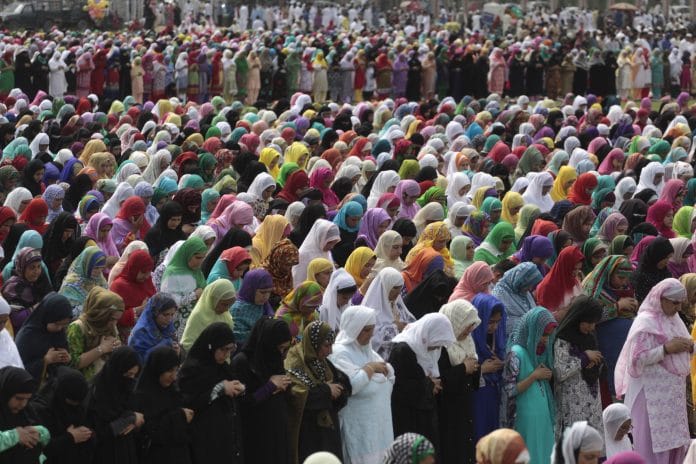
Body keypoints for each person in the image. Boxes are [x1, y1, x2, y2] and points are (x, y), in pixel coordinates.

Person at [615, 278, 692, 463]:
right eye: (674, 303)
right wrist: (665, 349)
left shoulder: (674, 320)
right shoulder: (645, 323)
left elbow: (685, 343)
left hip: (672, 396)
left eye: (681, 303)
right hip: (650, 395)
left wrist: (689, 346)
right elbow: (637, 359)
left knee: (674, 442)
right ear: (661, 299)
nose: (678, 308)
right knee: (651, 445)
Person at [177, 322, 245, 463]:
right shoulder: (192, 369)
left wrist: (239, 388)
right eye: (223, 349)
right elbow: (189, 402)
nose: (226, 355)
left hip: (226, 438)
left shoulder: (222, 367)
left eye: (230, 350)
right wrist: (219, 389)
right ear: (211, 346)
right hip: (204, 438)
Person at [285, 320, 350, 463]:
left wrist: (336, 390)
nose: (330, 351)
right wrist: (327, 390)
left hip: (327, 430)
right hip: (307, 432)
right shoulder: (295, 361)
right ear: (314, 343)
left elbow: (341, 385)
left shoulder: (322, 362)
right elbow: (297, 394)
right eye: (326, 346)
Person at [230, 318, 293, 464]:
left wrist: (285, 385)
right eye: (280, 348)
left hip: (277, 433)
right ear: (268, 344)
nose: (283, 355)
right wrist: (269, 387)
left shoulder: (274, 359)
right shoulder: (242, 363)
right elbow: (240, 404)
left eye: (286, 349)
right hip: (255, 435)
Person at [389, 313, 456, 449]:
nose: (437, 349)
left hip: (425, 416)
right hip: (408, 418)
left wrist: (431, 384)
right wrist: (429, 384)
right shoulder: (403, 350)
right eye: (435, 344)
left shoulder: (424, 347)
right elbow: (401, 388)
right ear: (427, 335)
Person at [502, 306, 556, 464]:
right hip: (525, 419)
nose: (545, 339)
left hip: (542, 417)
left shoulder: (537, 351)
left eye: (548, 335)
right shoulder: (516, 353)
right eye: (543, 335)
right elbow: (509, 389)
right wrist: (534, 376)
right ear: (532, 329)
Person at [552, 295, 604, 438]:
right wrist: (585, 358)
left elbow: (595, 359)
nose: (592, 327)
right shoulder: (563, 339)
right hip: (572, 401)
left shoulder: (589, 336)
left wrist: (596, 362)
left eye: (594, 323)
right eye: (589, 322)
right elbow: (560, 371)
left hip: (591, 401)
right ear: (578, 317)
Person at [437, 299, 481, 464]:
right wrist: (463, 368)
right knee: (453, 450)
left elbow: (473, 373)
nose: (469, 330)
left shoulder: (467, 341)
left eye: (472, 325)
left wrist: (474, 368)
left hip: (465, 405)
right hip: (448, 410)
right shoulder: (441, 345)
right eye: (467, 325)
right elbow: (440, 379)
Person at [131, 346, 192, 464]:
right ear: (157, 369)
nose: (174, 376)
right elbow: (150, 431)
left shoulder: (173, 390)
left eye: (176, 370)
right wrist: (180, 416)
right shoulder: (141, 396)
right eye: (169, 371)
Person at [86, 346, 143, 464]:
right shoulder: (96, 392)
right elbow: (97, 433)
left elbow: (139, 417)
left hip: (126, 451)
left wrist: (134, 421)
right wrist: (128, 419)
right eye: (127, 375)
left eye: (134, 375)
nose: (131, 379)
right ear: (117, 370)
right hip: (103, 454)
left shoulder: (130, 388)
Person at [31, 366, 95, 463]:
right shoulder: (42, 408)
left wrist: (87, 433)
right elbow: (39, 448)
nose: (76, 406)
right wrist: (69, 438)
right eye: (72, 403)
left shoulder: (80, 397)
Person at [66, 287, 124, 380]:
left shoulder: (110, 326)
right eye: (112, 319)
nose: (114, 323)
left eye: (117, 320)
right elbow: (73, 363)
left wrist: (116, 347)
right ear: (100, 314)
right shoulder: (77, 327)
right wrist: (101, 349)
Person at [470, 293, 506, 441]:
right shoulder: (468, 339)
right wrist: (482, 369)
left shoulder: (497, 338)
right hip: (476, 398)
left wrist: (502, 364)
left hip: (494, 394)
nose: (494, 327)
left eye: (498, 322)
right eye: (490, 322)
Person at [14, 293, 72, 382]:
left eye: (64, 325)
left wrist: (66, 357)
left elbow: (63, 350)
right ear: (47, 317)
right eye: (57, 324)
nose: (60, 328)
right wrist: (45, 361)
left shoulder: (58, 332)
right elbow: (19, 370)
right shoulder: (26, 336)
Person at [362, 267, 415, 360]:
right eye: (394, 288)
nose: (398, 292)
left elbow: (410, 321)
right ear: (385, 285)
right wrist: (395, 327)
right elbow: (372, 340)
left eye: (400, 288)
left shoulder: (396, 304)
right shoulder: (371, 309)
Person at [160, 236, 208, 338]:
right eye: (198, 257)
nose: (200, 262)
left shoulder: (197, 272)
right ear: (188, 254)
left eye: (203, 258)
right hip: (175, 326)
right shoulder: (173, 273)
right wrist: (194, 295)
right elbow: (169, 302)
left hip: (193, 324)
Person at [0, 366, 50, 463]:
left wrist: (39, 434)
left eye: (27, 399)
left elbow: (46, 437)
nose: (23, 404)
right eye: (18, 398)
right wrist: (15, 436)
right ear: (6, 393)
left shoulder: (27, 411)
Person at [109, 249, 156, 343]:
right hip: (128, 337)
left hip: (150, 330)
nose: (147, 276)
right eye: (143, 272)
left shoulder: (147, 281)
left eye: (149, 272)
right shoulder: (119, 286)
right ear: (134, 269)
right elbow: (112, 315)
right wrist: (139, 309)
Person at [491, 262, 543, 336]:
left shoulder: (522, 291)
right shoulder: (498, 295)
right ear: (519, 280)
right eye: (527, 285)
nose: (529, 288)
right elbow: (503, 324)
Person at [127, 293, 178, 363]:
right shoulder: (141, 332)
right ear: (155, 313)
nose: (169, 319)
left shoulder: (168, 328)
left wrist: (177, 351)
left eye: (172, 314)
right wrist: (165, 345)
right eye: (165, 314)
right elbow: (138, 361)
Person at [59, 246, 108, 317]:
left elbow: (107, 295)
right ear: (87, 265)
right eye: (96, 268)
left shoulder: (99, 278)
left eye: (102, 268)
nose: (99, 272)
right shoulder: (70, 284)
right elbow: (67, 313)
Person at [229, 269, 275, 345]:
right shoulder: (237, 310)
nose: (266, 296)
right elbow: (236, 337)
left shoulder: (264, 305)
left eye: (269, 292)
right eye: (262, 292)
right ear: (250, 289)